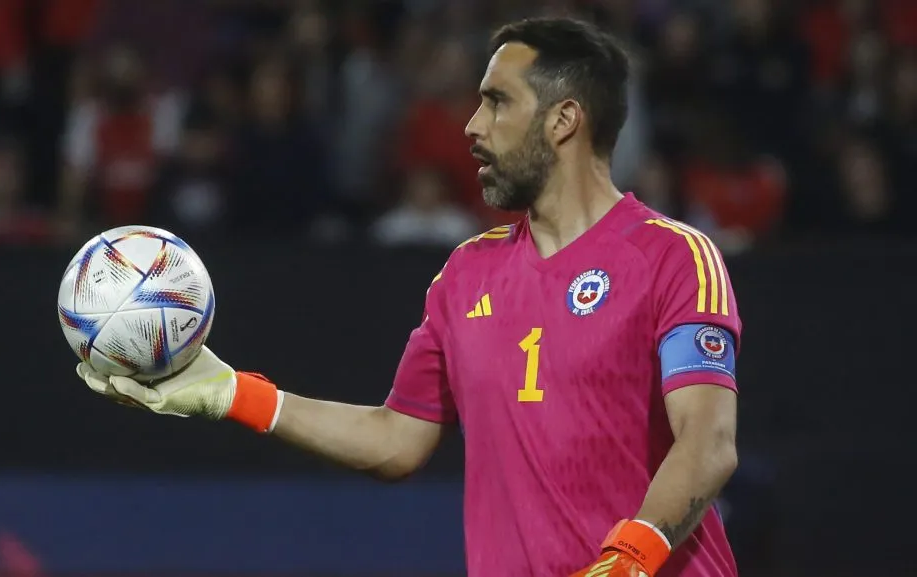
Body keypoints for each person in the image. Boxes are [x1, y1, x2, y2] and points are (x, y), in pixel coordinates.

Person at [77, 17, 741, 577]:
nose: (472, 125)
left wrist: (631, 556)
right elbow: (396, 439)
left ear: (565, 119)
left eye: (497, 101)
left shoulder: (673, 257)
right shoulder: (464, 277)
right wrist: (234, 394)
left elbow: (707, 443)